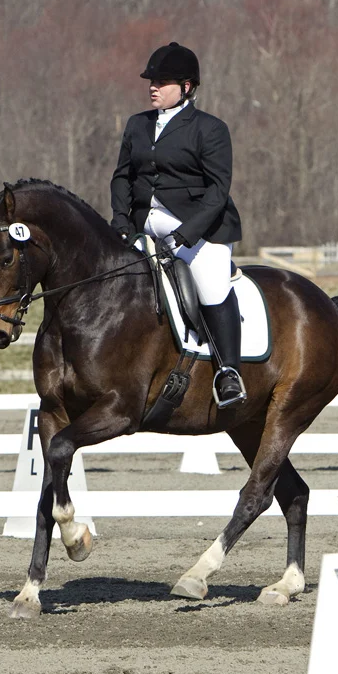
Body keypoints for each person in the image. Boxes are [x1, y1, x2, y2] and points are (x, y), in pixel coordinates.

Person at [111, 42, 246, 408]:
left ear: (186, 87)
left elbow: (218, 192)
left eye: (163, 81)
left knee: (212, 287)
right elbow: (122, 178)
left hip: (200, 230)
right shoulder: (137, 125)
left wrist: (185, 236)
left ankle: (228, 372)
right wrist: (120, 221)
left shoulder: (210, 129)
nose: (153, 86)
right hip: (145, 226)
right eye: (151, 80)